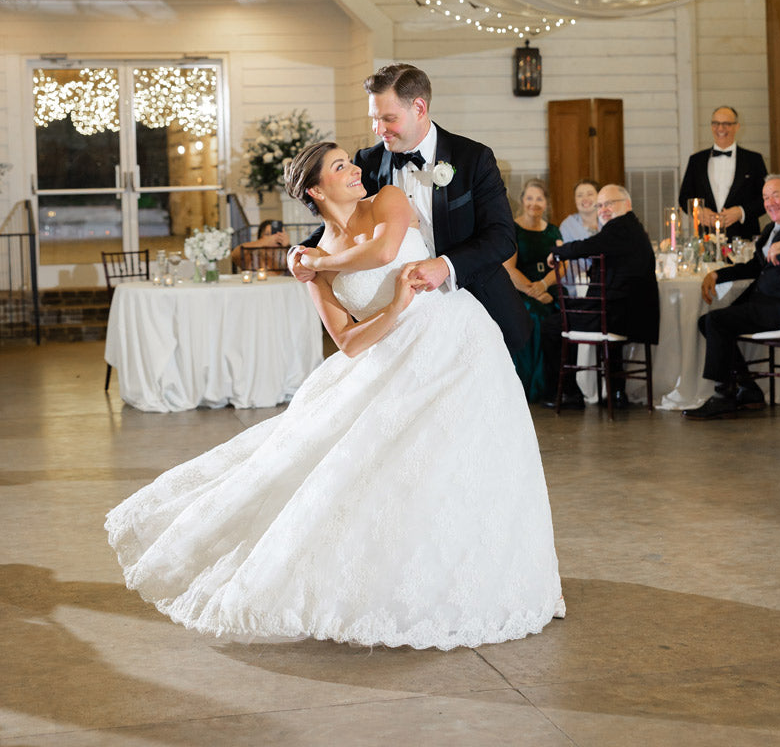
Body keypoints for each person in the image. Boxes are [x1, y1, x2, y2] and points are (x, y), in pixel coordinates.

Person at [106, 141, 565, 649]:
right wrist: (387, 307)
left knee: (470, 466)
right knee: (379, 472)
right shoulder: (314, 259)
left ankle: (490, 584)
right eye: (341, 166)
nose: (355, 169)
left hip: (459, 347)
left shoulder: (387, 201)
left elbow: (385, 252)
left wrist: (317, 264)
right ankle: (405, 589)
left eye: (351, 160)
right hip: (389, 359)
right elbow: (347, 342)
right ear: (315, 189)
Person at [290, 63, 533, 379]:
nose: (379, 129)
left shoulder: (473, 158)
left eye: (388, 118)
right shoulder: (367, 162)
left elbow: (501, 236)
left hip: (475, 302)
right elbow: (343, 225)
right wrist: (298, 252)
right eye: (374, 119)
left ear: (419, 107)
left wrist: (445, 265)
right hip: (401, 324)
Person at [542, 184, 660, 411]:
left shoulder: (620, 227)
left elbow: (589, 245)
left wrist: (558, 252)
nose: (604, 209)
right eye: (600, 205)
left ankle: (569, 392)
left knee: (551, 325)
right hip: (634, 313)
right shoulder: (632, 227)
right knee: (580, 314)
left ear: (627, 204)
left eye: (609, 203)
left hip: (619, 315)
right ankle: (617, 392)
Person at [684, 174, 780, 421]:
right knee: (707, 322)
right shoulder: (769, 230)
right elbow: (754, 268)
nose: (769, 202)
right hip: (761, 302)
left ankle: (722, 396)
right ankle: (749, 389)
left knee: (716, 322)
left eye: (775, 195)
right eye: (765, 197)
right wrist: (717, 274)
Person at [502, 179, 562, 402]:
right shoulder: (513, 229)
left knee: (559, 316)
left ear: (546, 203)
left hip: (549, 289)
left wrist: (545, 286)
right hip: (521, 291)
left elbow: (561, 266)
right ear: (522, 201)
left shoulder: (553, 231)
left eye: (539, 198)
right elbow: (508, 268)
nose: (534, 203)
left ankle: (556, 387)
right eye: (529, 198)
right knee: (534, 316)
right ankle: (532, 387)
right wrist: (533, 291)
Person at [678, 106, 767, 240]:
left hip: (744, 237)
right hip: (706, 238)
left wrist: (741, 212)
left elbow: (765, 199)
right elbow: (684, 197)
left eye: (726, 124)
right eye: (716, 123)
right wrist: (698, 211)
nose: (720, 128)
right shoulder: (696, 160)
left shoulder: (753, 160)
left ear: (737, 126)